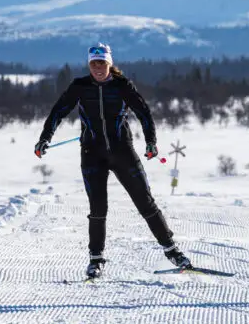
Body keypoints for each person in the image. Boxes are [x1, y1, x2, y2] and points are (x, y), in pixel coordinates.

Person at [34, 43, 191, 279]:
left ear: (109, 64)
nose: (98, 68)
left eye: (102, 63)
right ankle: (95, 260)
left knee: (145, 203)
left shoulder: (122, 85)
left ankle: (173, 251)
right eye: (94, 64)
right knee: (98, 209)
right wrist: (45, 138)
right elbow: (58, 111)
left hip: (123, 152)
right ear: (89, 65)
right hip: (92, 154)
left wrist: (151, 142)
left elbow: (144, 113)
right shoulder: (80, 86)